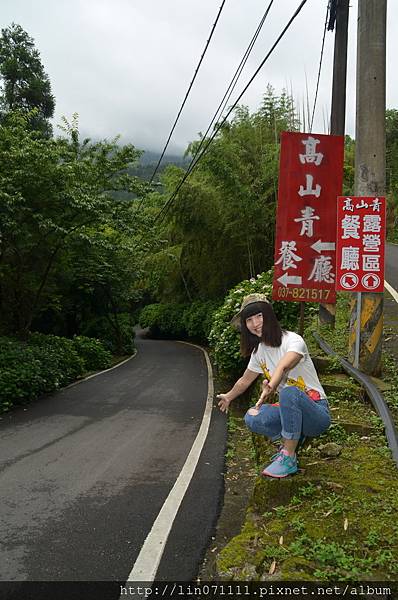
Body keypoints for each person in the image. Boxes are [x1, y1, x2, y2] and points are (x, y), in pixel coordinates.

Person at [217, 293, 331, 478]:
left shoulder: (293, 340)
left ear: (269, 315)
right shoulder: (259, 352)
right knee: (252, 417)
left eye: (259, 316)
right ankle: (291, 439)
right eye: (249, 319)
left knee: (289, 393)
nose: (255, 324)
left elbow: (283, 365)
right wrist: (229, 397)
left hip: (316, 413)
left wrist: (271, 386)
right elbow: (245, 380)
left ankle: (288, 457)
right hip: (291, 412)